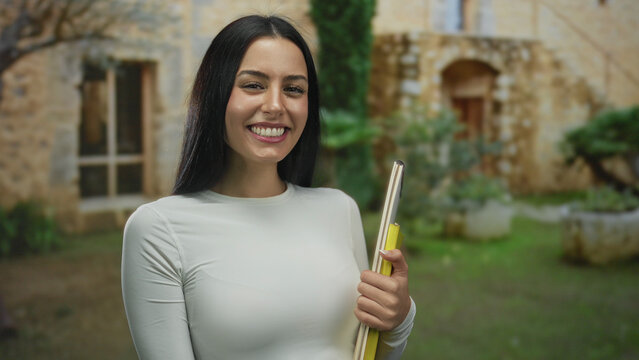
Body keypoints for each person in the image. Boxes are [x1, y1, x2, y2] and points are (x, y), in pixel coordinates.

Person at [121, 15, 416, 360]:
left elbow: (368, 353)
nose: (276, 106)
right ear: (214, 94)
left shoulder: (339, 209)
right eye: (253, 85)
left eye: (293, 89)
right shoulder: (158, 229)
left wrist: (398, 318)